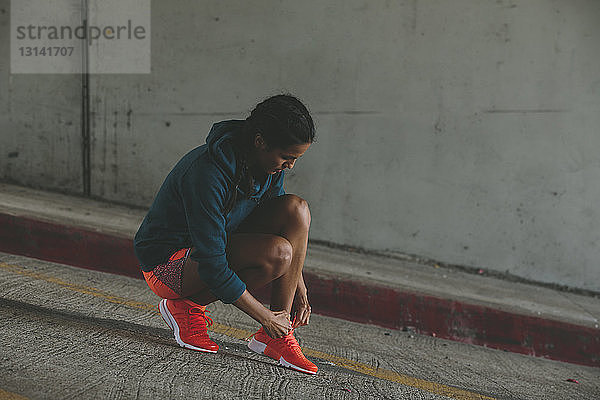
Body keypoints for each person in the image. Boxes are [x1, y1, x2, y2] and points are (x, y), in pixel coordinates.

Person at [133, 94, 318, 375]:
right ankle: (186, 307)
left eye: (295, 159)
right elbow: (212, 262)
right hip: (168, 265)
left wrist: (299, 286)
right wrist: (265, 316)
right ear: (260, 141)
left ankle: (277, 335)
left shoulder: (268, 166)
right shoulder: (207, 172)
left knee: (297, 210)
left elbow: (283, 228)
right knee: (277, 254)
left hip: (212, 249)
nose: (290, 166)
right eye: (286, 157)